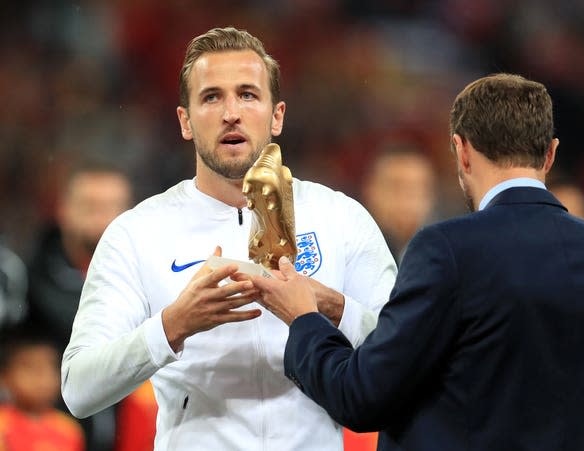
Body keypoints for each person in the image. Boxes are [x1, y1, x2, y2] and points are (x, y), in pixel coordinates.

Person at [250, 73, 584, 450]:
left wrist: (304, 321)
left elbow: (362, 395)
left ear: (462, 150)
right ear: (550, 153)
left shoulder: (447, 251)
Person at [61, 27, 396, 451]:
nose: (231, 113)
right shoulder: (137, 233)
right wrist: (172, 326)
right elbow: (78, 388)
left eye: (248, 94)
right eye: (211, 97)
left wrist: (333, 308)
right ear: (185, 121)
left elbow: (403, 356)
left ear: (277, 116)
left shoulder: (341, 218)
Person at [26, 158, 134, 451]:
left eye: (112, 207)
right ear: (63, 209)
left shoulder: (146, 281)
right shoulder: (29, 284)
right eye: (89, 206)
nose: (102, 218)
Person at [0, 325, 84, 451]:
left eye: (50, 368)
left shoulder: (69, 429)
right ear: (5, 377)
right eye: (30, 368)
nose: (42, 378)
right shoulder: (3, 425)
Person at [360, 143, 438, 263]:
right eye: (397, 187)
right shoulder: (348, 253)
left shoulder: (444, 258)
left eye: (418, 190)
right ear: (371, 191)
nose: (409, 201)